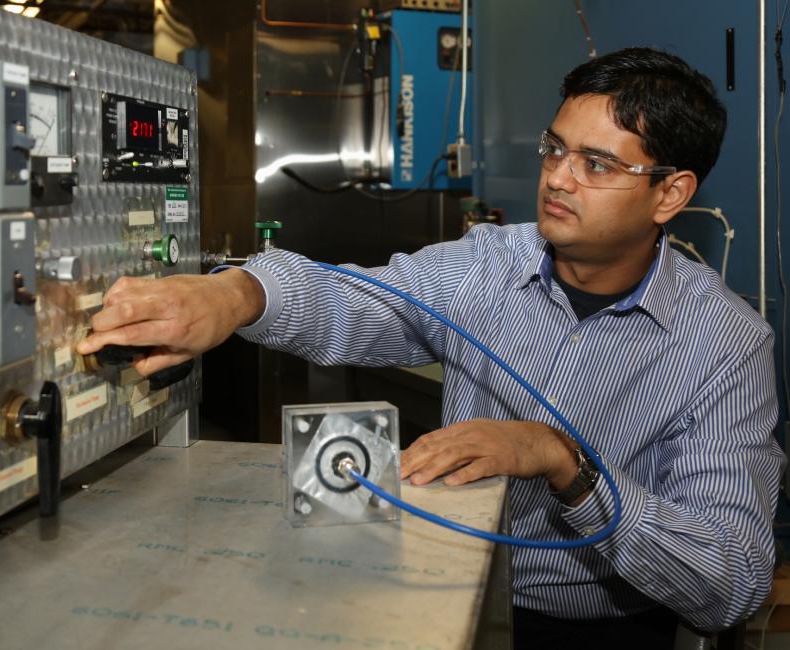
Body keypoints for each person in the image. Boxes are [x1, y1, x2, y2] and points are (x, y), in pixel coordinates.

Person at [77, 47, 786, 648]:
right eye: (556, 148)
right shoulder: (486, 265)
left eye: (598, 165)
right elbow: (349, 299)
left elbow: (731, 581)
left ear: (670, 195)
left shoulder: (724, 346)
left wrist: (566, 464)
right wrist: (236, 295)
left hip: (600, 629)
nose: (559, 177)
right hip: (451, 598)